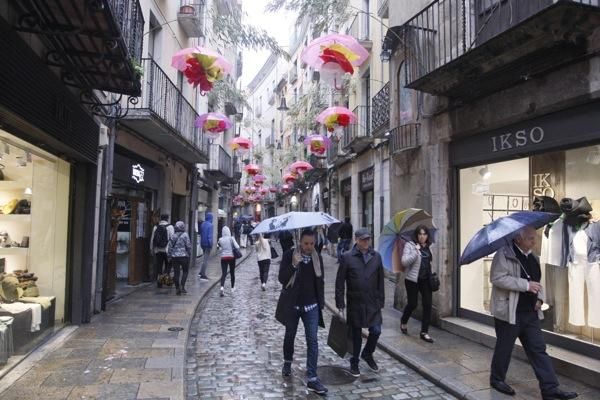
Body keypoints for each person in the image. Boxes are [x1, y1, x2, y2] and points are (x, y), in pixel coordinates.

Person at [489, 225, 578, 400]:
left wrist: (540, 298)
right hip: (510, 311)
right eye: (530, 238)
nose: (534, 241)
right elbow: (497, 278)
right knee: (504, 348)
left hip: (530, 313)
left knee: (539, 350)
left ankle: (550, 389)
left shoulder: (533, 257)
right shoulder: (504, 254)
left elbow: (537, 281)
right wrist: (525, 285)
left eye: (534, 237)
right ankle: (497, 379)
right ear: (518, 239)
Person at [275, 229, 328, 395]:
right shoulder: (289, 255)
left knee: (312, 341)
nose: (309, 247)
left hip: (311, 306)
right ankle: (287, 361)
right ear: (300, 241)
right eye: (306, 243)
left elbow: (320, 281)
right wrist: (293, 265)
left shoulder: (316, 257)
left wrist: (321, 302)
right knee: (289, 335)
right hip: (293, 306)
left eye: (312, 244)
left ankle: (312, 377)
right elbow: (282, 279)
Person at [335, 227, 385, 377]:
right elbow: (339, 281)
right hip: (355, 301)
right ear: (356, 240)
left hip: (372, 301)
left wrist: (381, 299)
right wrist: (340, 302)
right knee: (356, 335)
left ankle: (368, 353)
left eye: (368, 239)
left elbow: (380, 280)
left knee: (376, 330)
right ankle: (354, 361)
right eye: (363, 239)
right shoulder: (347, 257)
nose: (366, 242)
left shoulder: (376, 256)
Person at [400, 225, 435, 343]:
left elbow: (430, 262)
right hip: (412, 280)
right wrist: (416, 252)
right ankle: (404, 321)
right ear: (416, 235)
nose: (422, 237)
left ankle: (424, 332)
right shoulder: (410, 245)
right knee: (413, 304)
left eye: (424, 234)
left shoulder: (430, 246)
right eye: (420, 234)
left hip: (425, 280)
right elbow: (404, 262)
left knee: (427, 304)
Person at [167, 221, 192, 296]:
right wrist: (189, 253)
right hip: (184, 256)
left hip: (175, 257)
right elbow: (188, 246)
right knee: (185, 271)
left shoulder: (173, 236)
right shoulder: (185, 235)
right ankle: (182, 286)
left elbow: (170, 247)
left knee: (176, 273)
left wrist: (169, 256)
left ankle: (177, 288)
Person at [150, 214, 174, 288]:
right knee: (168, 265)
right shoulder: (170, 227)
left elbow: (152, 239)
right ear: (167, 219)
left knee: (159, 266)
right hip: (167, 250)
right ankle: (167, 280)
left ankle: (159, 283)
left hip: (158, 250)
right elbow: (172, 239)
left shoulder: (155, 227)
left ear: (161, 219)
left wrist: (151, 249)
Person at [217, 226, 240, 297]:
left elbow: (219, 248)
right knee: (232, 273)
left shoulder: (220, 239)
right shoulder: (231, 238)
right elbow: (237, 247)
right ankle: (232, 288)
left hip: (223, 257)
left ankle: (222, 287)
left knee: (224, 273)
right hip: (231, 257)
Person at [198, 211, 213, 280]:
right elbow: (209, 236)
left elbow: (201, 234)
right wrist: (211, 244)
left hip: (202, 243)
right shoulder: (210, 225)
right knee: (205, 260)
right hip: (207, 244)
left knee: (204, 258)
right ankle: (203, 274)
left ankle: (201, 272)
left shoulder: (203, 224)